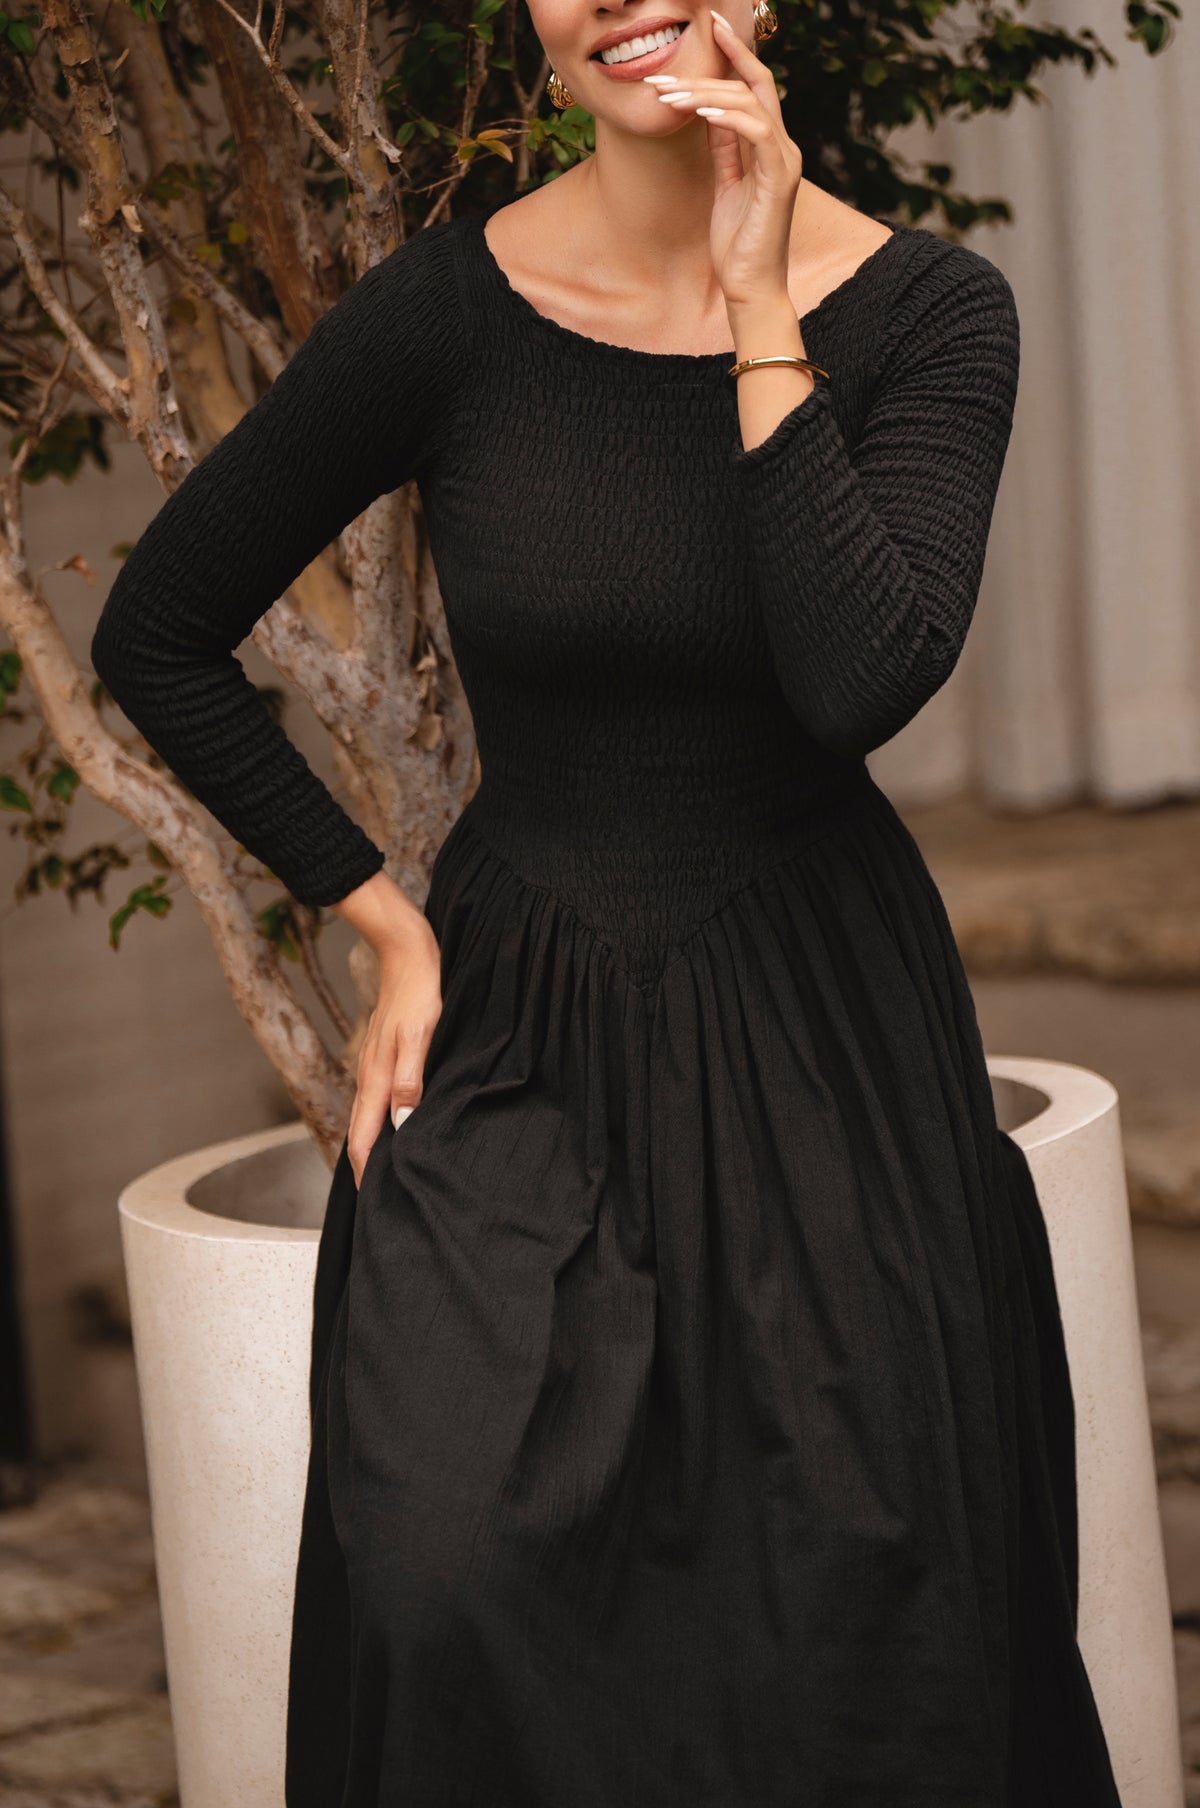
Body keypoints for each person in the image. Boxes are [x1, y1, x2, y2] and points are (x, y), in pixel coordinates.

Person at [90, 3, 1125, 1801]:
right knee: (442, 1566)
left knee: (858, 1597)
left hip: (821, 1038)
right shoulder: (444, 309)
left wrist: (757, 308)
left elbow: (860, 678)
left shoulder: (933, 312)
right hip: (517, 1018)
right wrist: (378, 917)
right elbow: (159, 629)